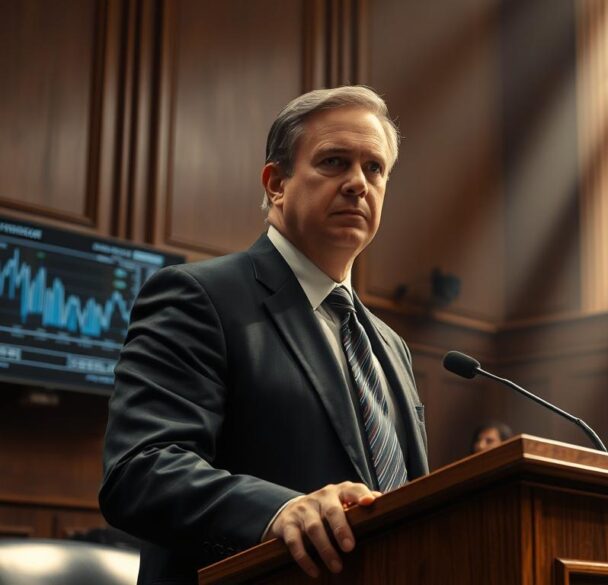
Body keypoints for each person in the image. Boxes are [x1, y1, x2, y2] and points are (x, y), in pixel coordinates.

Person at [99, 86, 429, 583]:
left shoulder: (390, 345)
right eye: (334, 162)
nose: (358, 183)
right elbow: (139, 471)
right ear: (276, 184)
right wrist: (276, 511)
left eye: (374, 168)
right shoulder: (198, 297)